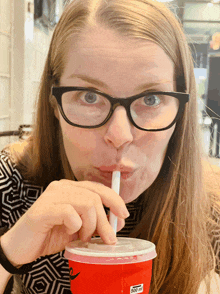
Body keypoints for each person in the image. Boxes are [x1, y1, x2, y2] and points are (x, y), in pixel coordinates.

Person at [0, 0, 220, 293]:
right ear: (54, 102)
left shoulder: (212, 211)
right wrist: (8, 253)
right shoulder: (10, 183)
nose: (119, 135)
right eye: (89, 97)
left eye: (151, 99)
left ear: (181, 110)